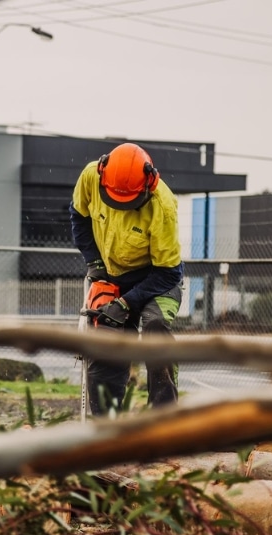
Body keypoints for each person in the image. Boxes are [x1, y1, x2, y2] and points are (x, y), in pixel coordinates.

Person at [70, 142, 183, 416]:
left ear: (148, 183)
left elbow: (168, 272)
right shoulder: (91, 177)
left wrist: (126, 303)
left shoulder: (163, 207)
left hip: (156, 281)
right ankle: (107, 426)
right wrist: (94, 263)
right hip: (112, 276)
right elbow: (79, 216)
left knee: (155, 327)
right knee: (106, 341)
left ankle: (164, 418)